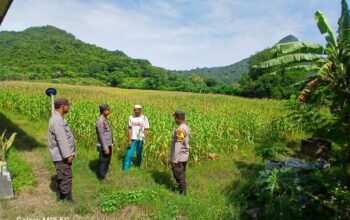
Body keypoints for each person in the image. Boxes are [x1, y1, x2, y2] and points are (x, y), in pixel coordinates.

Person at [48, 98, 76, 203]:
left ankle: (61, 195)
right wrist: (68, 155)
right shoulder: (57, 120)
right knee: (66, 176)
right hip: (61, 155)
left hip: (60, 155)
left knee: (62, 175)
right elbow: (61, 139)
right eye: (67, 105)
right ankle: (67, 198)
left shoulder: (58, 118)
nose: (68, 107)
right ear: (62, 106)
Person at [123, 104, 149, 171]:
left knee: (139, 153)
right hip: (133, 138)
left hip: (141, 139)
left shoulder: (144, 118)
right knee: (129, 153)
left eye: (136, 110)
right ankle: (125, 168)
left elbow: (146, 129)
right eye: (134, 110)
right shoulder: (131, 117)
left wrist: (145, 139)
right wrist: (129, 140)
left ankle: (138, 166)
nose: (135, 112)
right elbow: (129, 129)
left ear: (140, 110)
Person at [170, 110, 190, 195]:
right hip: (184, 156)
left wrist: (174, 160)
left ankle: (182, 193)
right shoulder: (186, 127)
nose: (174, 119)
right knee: (181, 173)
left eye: (175, 118)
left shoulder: (180, 130)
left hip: (179, 157)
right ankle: (182, 190)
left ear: (179, 118)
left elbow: (178, 145)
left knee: (178, 174)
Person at [96, 104, 113, 181]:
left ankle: (105, 173)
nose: (109, 111)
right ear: (104, 111)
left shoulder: (105, 119)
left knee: (107, 160)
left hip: (108, 143)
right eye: (107, 109)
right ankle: (102, 177)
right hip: (104, 145)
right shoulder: (100, 120)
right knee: (103, 160)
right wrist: (105, 148)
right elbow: (101, 135)